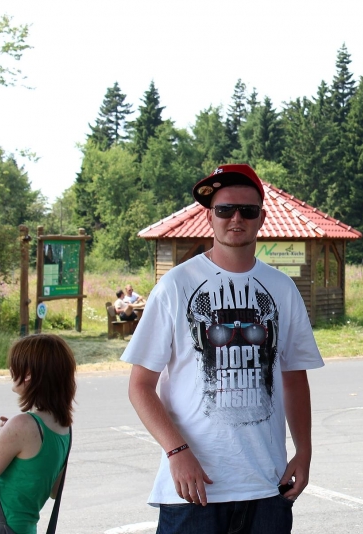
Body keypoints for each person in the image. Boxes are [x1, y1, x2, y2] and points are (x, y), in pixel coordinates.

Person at [121, 163, 324, 534]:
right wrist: (176, 451)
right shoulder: (176, 286)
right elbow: (140, 386)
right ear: (209, 217)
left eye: (247, 210)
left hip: (267, 487)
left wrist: (305, 452)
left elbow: (295, 379)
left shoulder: (282, 288)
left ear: (262, 218)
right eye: (225, 209)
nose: (236, 218)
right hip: (193, 489)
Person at [0, 334, 76, 534]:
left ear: (28, 374)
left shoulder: (22, 426)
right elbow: (54, 491)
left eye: (14, 365)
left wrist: (10, 435)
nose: (11, 370)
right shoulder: (64, 427)